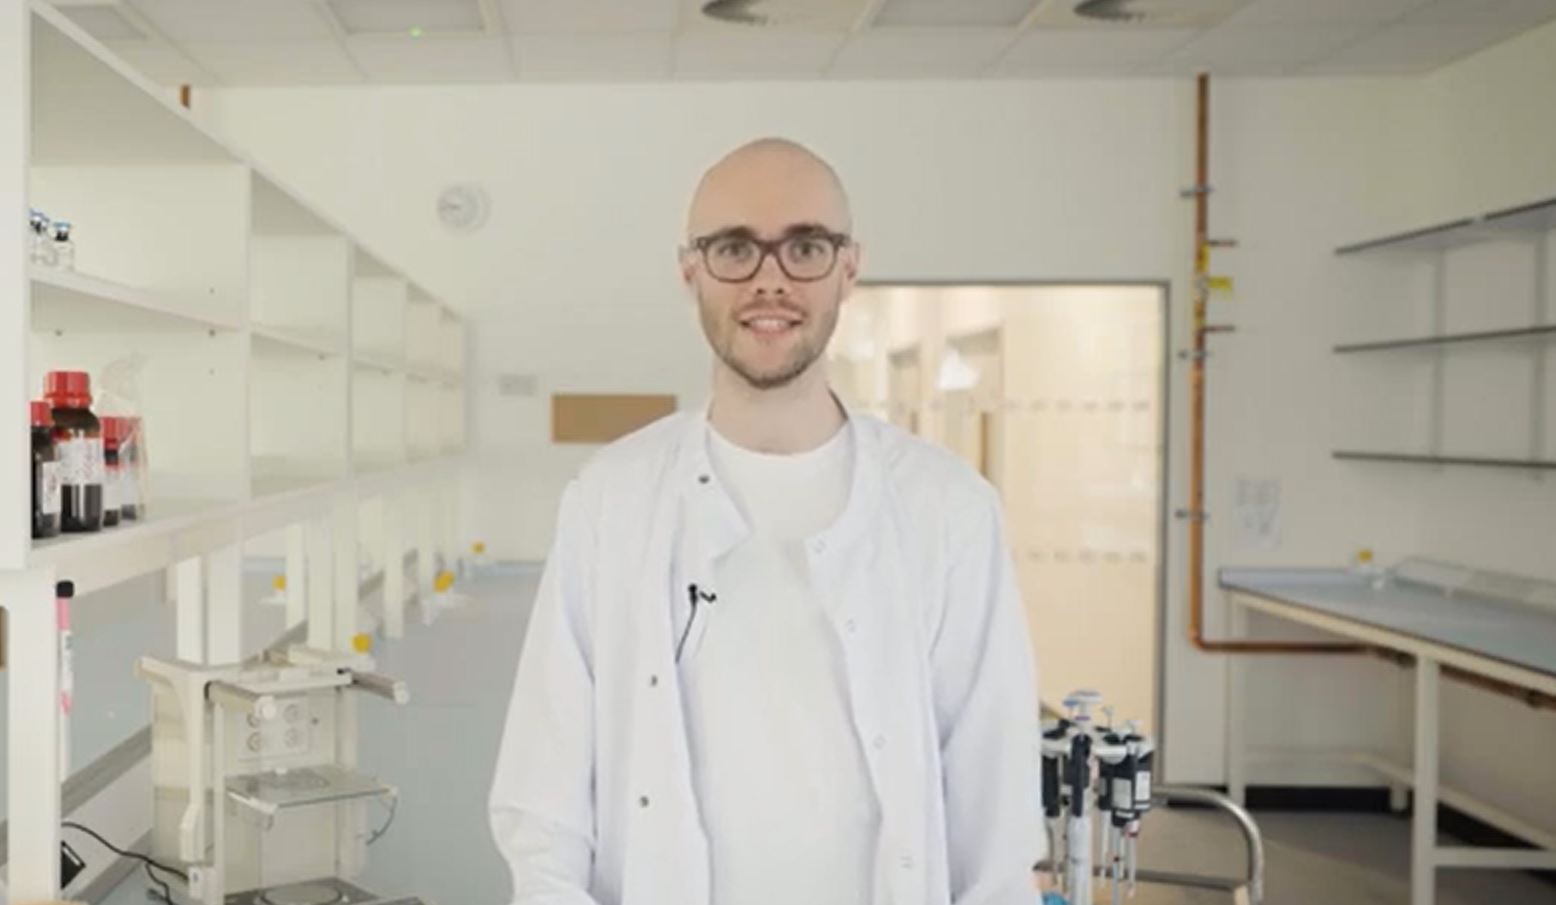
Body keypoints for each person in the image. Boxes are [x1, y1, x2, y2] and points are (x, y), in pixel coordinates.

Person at [489, 137, 1042, 905]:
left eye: (806, 247)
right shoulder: (609, 501)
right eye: (735, 249)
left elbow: (997, 813)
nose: (770, 280)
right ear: (690, 270)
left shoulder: (948, 510)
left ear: (849, 267)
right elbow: (542, 798)